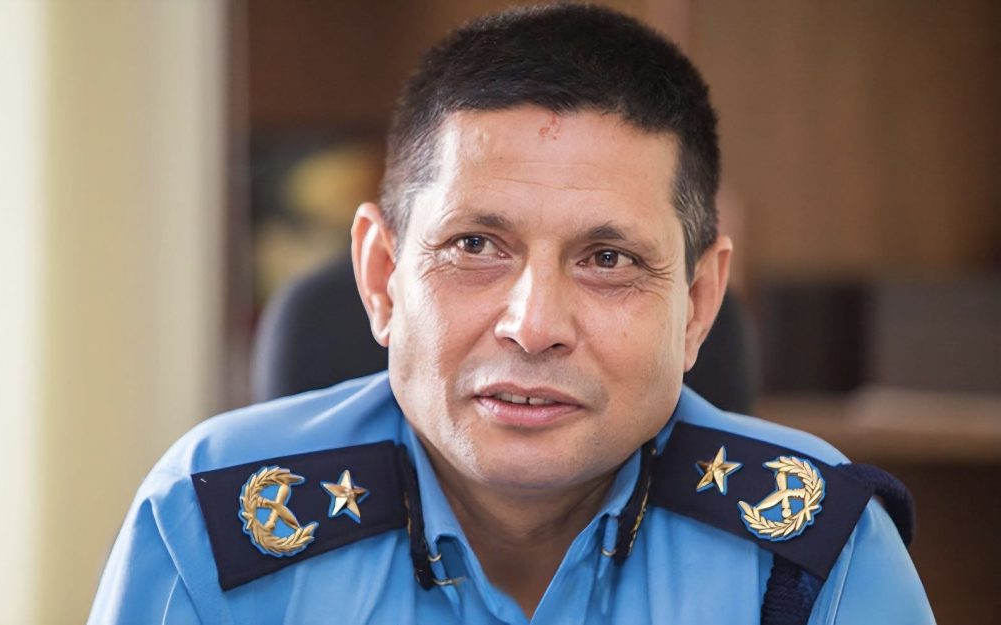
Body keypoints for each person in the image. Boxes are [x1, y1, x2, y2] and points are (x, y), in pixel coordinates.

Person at [89, 5, 935, 624]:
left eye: (608, 259)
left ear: (698, 304)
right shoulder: (207, 520)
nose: (533, 326)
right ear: (382, 277)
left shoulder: (811, 550)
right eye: (474, 245)